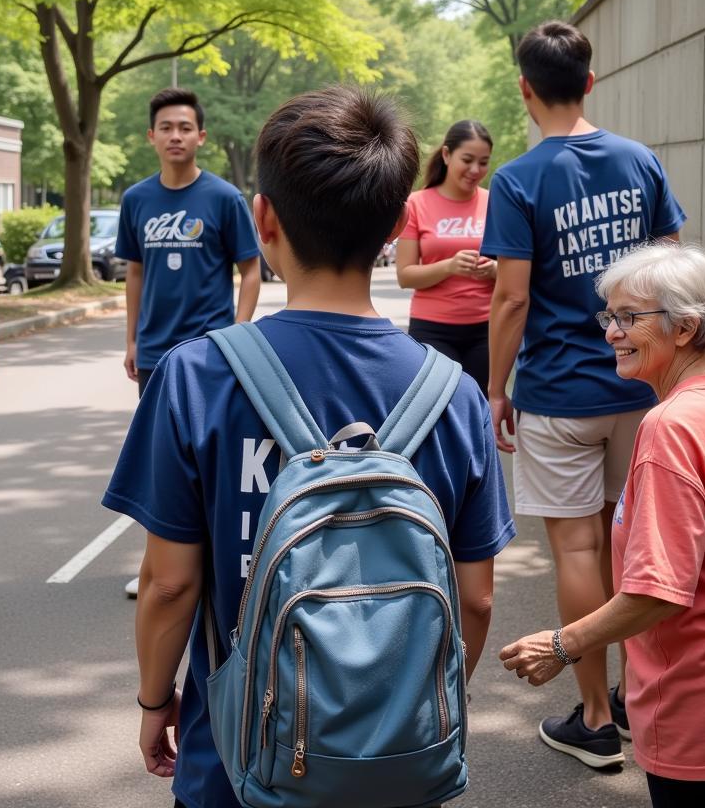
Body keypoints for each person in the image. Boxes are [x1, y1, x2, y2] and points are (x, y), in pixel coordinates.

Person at [102, 86, 515, 808]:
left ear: (263, 221)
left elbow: (169, 584)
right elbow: (474, 599)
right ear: (395, 224)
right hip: (398, 763)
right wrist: (408, 718)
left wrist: (151, 702)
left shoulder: (197, 376)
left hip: (236, 759)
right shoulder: (452, 394)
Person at [498, 243, 705, 807]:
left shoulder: (670, 429)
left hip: (704, 694)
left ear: (685, 329)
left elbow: (659, 593)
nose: (611, 333)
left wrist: (561, 644)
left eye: (629, 318)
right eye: (609, 317)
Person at [480, 20, 686, 766]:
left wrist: (494, 388)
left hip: (561, 393)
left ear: (525, 89)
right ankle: (639, 695)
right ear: (591, 82)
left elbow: (510, 300)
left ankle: (596, 718)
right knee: (630, 541)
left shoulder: (518, 179)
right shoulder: (639, 161)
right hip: (638, 387)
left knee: (578, 545)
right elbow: (671, 273)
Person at [116, 87, 261, 598]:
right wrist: (131, 338)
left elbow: (250, 270)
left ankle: (215, 560)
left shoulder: (223, 198)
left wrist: (237, 332)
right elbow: (134, 272)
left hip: (211, 353)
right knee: (161, 463)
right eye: (165, 128)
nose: (175, 136)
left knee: (212, 460)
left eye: (184, 128)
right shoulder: (136, 199)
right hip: (156, 353)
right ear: (151, 136)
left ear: (200, 136)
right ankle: (160, 562)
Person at [396, 120, 495, 395]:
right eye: (467, 159)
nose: (476, 170)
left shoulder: (495, 201)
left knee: (479, 406)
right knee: (438, 407)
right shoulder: (417, 203)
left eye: (484, 162)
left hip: (486, 329)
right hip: (433, 329)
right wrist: (449, 266)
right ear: (447, 155)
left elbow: (515, 270)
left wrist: (494, 270)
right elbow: (405, 275)